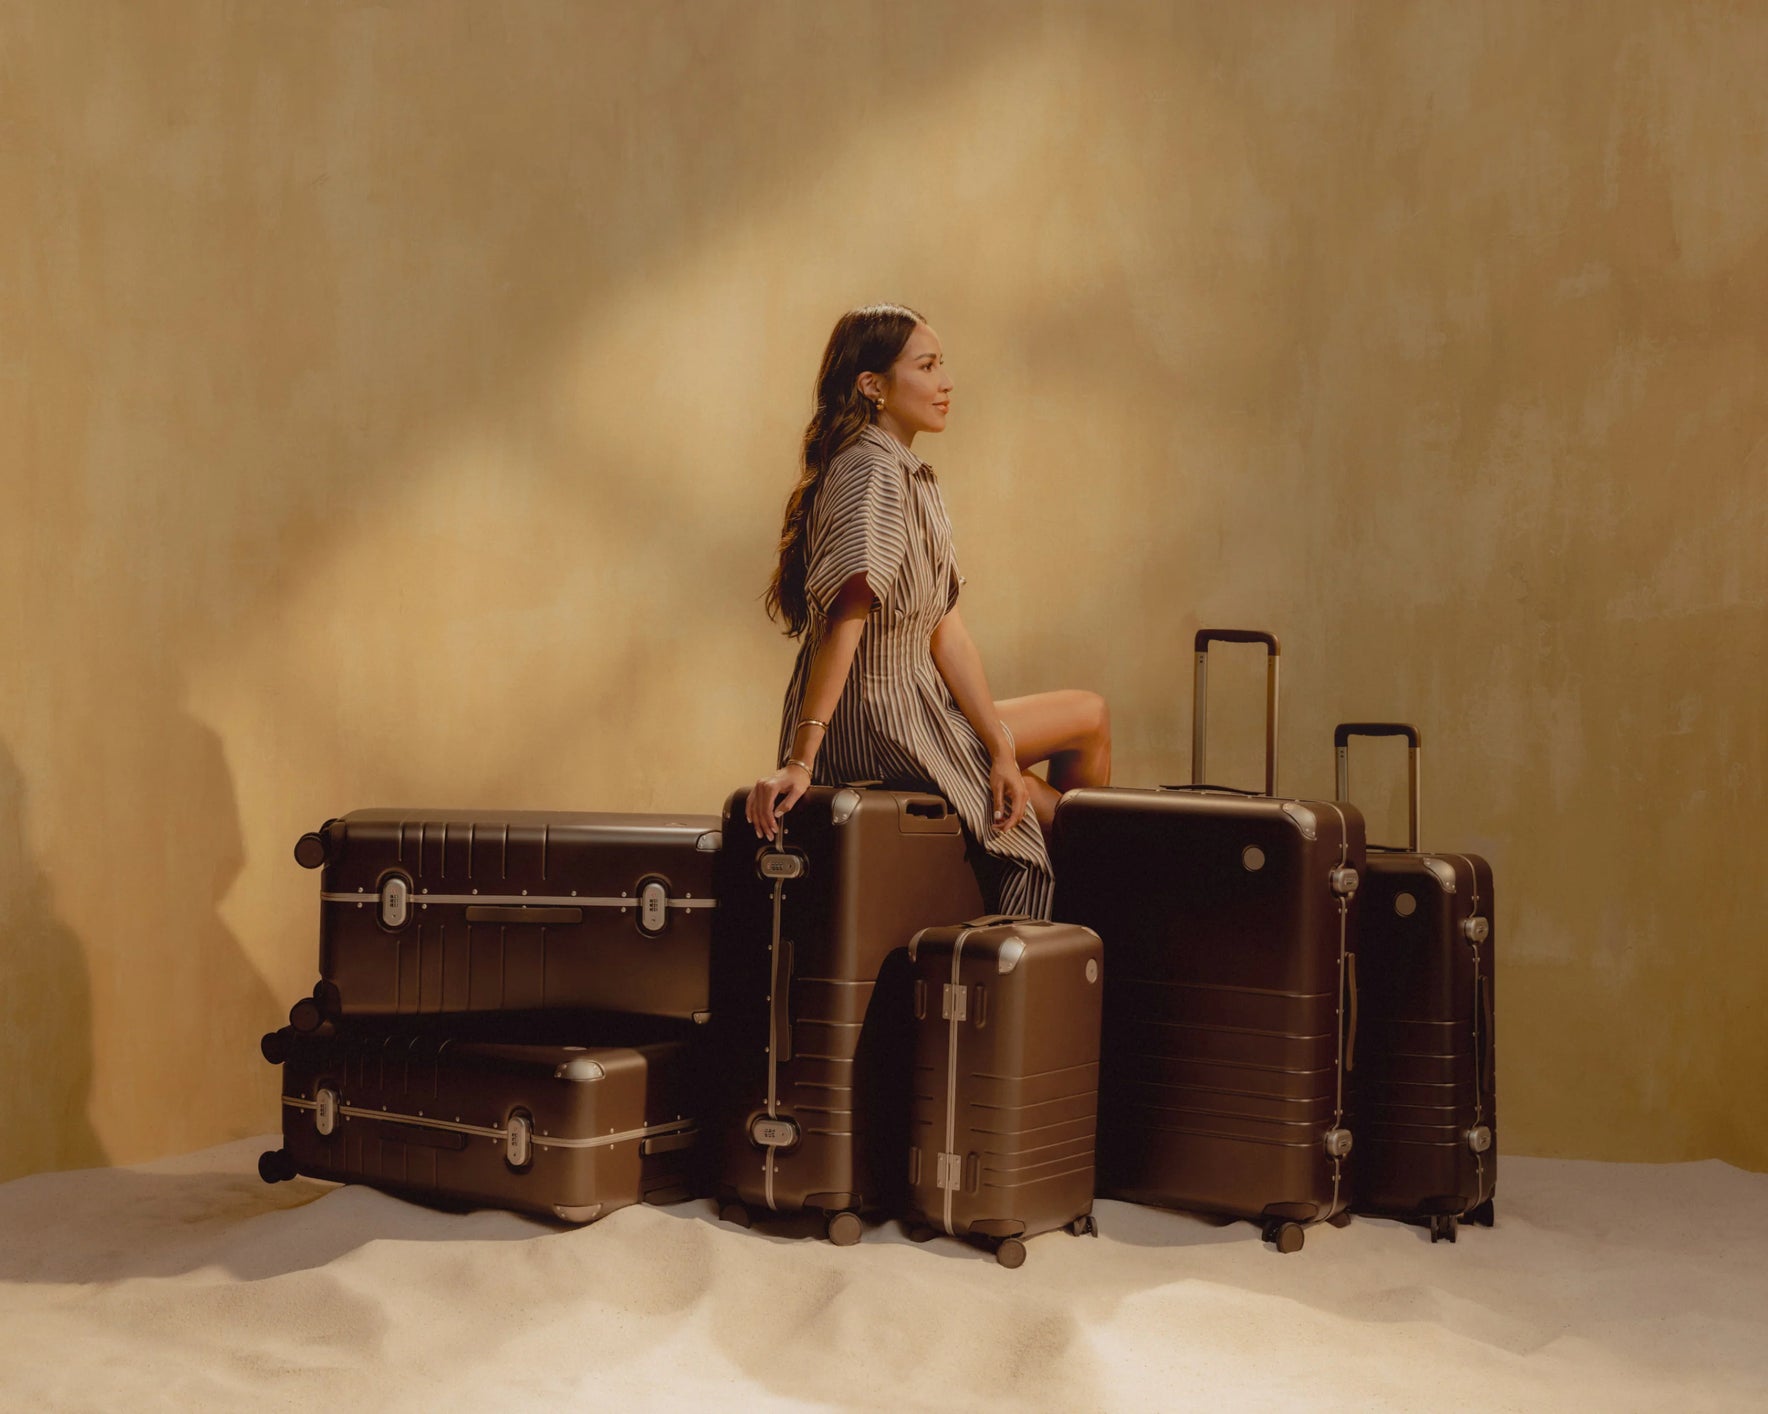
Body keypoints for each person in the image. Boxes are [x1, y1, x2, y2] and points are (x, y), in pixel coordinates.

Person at [743, 304, 1111, 918]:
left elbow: (947, 632)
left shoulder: (909, 474)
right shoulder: (873, 472)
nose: (946, 382)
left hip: (918, 703)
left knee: (1084, 726)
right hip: (883, 720)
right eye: (928, 366)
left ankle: (1065, 946)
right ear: (873, 386)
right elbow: (846, 617)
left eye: (944, 365)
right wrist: (801, 760)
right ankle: (1065, 947)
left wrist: (998, 749)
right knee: (1063, 827)